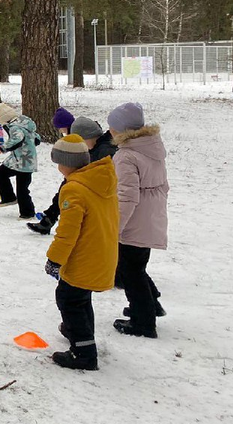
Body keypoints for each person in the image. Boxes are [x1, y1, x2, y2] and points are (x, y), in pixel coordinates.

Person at [43, 135, 119, 370]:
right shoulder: (99, 180)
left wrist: (54, 259)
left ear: (66, 164)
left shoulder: (74, 189)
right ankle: (80, 333)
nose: (58, 168)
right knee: (80, 298)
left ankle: (83, 353)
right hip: (101, 252)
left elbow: (68, 232)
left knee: (68, 299)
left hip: (83, 256)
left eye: (58, 163)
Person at [108, 102, 169, 339]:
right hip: (151, 216)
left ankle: (143, 322)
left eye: (112, 127)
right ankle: (149, 306)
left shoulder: (126, 156)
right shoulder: (152, 147)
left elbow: (126, 197)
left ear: (121, 130)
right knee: (137, 267)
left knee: (130, 271)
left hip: (134, 221)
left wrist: (115, 227)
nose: (109, 131)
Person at [27, 115, 118, 235]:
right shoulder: (97, 148)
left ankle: (50, 219)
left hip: (98, 195)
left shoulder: (104, 151)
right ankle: (49, 218)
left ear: (87, 137)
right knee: (66, 185)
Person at [0, 102, 40, 218]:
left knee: (21, 188)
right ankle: (10, 198)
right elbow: (37, 138)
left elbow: (17, 139)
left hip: (23, 162)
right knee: (2, 173)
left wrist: (3, 148)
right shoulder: (24, 124)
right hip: (22, 160)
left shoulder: (15, 128)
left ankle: (26, 212)